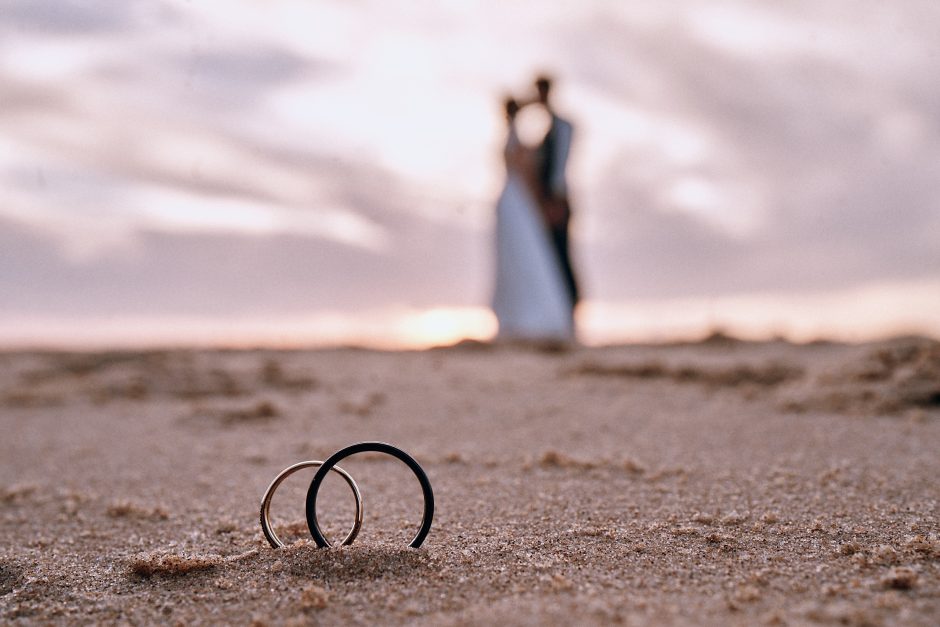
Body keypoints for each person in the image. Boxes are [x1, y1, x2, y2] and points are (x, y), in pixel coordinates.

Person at [491, 97, 574, 342]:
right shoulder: (519, 144)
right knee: (521, 259)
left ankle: (522, 318)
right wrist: (540, 204)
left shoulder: (512, 139)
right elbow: (529, 179)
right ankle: (522, 317)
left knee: (523, 259)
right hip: (518, 205)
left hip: (510, 205)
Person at [531, 75, 579, 311]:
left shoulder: (561, 126)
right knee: (551, 258)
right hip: (549, 201)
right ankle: (560, 310)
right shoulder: (549, 128)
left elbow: (557, 168)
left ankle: (571, 308)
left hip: (556, 200)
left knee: (561, 256)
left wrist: (555, 199)